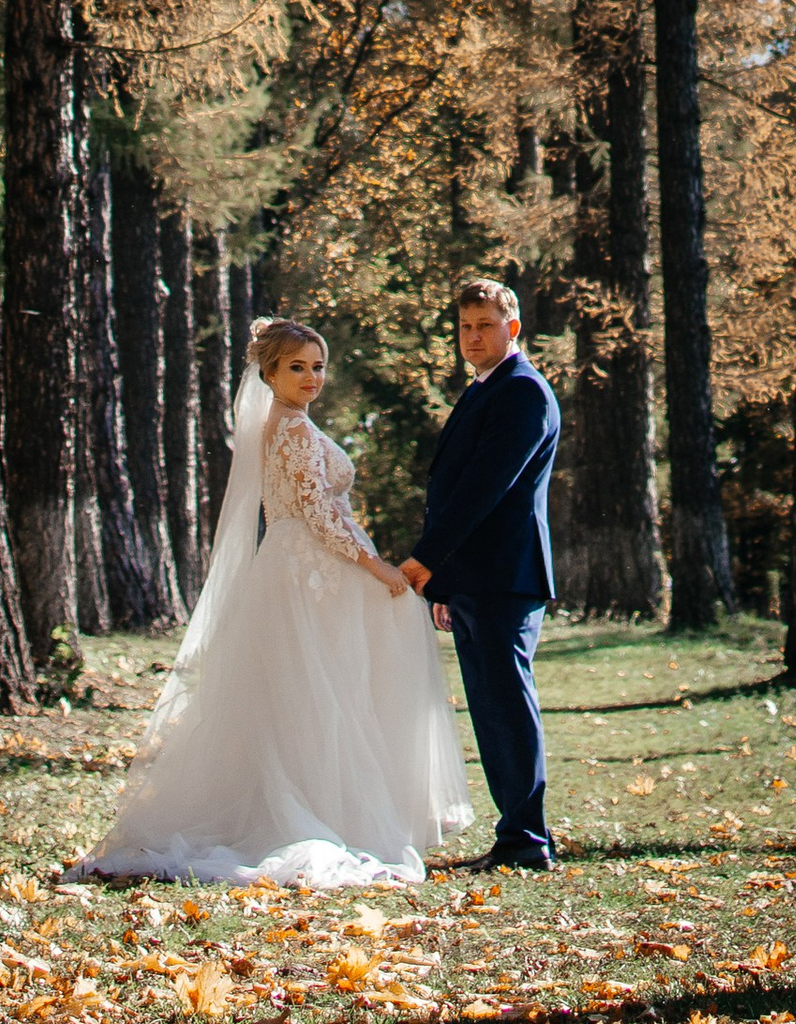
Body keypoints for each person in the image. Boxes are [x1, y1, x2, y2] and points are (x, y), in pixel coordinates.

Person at [76, 316, 470, 886]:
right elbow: (318, 513)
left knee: (310, 692)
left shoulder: (286, 424)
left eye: (318, 366)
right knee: (318, 690)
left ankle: (327, 804)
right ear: (270, 372)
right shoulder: (294, 431)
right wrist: (378, 566)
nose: (311, 377)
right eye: (297, 367)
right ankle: (318, 814)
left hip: (297, 567)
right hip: (310, 571)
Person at [400, 277, 561, 871]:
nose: (472, 337)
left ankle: (527, 843)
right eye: (465, 326)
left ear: (512, 328)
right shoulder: (483, 388)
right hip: (473, 580)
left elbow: (482, 492)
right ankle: (516, 837)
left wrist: (425, 562)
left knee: (506, 708)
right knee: (492, 711)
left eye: (485, 325)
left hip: (504, 578)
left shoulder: (523, 392)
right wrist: (446, 584)